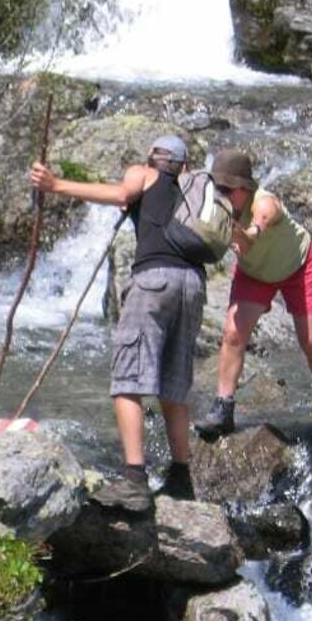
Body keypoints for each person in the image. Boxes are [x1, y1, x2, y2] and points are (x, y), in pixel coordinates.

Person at [30, 135, 234, 512]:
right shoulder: (193, 187)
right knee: (173, 386)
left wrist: (56, 185)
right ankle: (180, 478)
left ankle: (135, 480)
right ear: (184, 164)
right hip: (192, 285)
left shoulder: (143, 173)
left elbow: (124, 194)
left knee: (128, 379)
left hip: (154, 279)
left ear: (154, 159)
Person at [195, 148, 312, 437]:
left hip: (300, 265)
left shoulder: (264, 203)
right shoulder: (215, 205)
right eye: (218, 187)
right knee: (232, 334)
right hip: (256, 273)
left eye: (228, 189)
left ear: (245, 188)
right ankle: (222, 409)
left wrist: (247, 234)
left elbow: (259, 225)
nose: (222, 194)